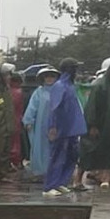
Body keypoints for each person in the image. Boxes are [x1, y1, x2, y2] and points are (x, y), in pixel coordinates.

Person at [81, 59, 110, 190]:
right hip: (103, 127)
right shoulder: (100, 85)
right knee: (102, 153)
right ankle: (102, 178)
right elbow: (92, 107)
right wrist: (92, 125)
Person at [43, 59, 88, 195]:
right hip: (61, 128)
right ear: (70, 70)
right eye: (75, 69)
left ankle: (61, 182)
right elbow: (54, 109)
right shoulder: (59, 86)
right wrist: (53, 127)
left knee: (71, 157)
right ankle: (50, 186)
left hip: (73, 128)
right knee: (57, 156)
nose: (77, 72)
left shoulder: (70, 86)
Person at [22, 65, 55, 180]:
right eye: (47, 77)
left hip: (57, 126)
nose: (50, 79)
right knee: (40, 148)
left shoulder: (60, 91)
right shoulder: (38, 93)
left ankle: (55, 172)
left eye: (52, 76)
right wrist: (29, 120)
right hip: (41, 126)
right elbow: (32, 107)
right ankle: (40, 171)